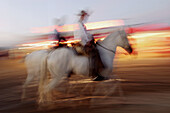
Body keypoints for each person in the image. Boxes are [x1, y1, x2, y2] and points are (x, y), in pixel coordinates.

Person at [74, 10, 105, 81]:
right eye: (85, 16)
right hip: (81, 44)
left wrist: (91, 36)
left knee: (95, 50)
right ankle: (93, 74)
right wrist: (88, 41)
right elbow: (82, 35)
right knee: (94, 52)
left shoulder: (81, 24)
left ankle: (98, 70)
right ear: (82, 16)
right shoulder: (79, 24)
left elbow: (86, 34)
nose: (85, 17)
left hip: (82, 43)